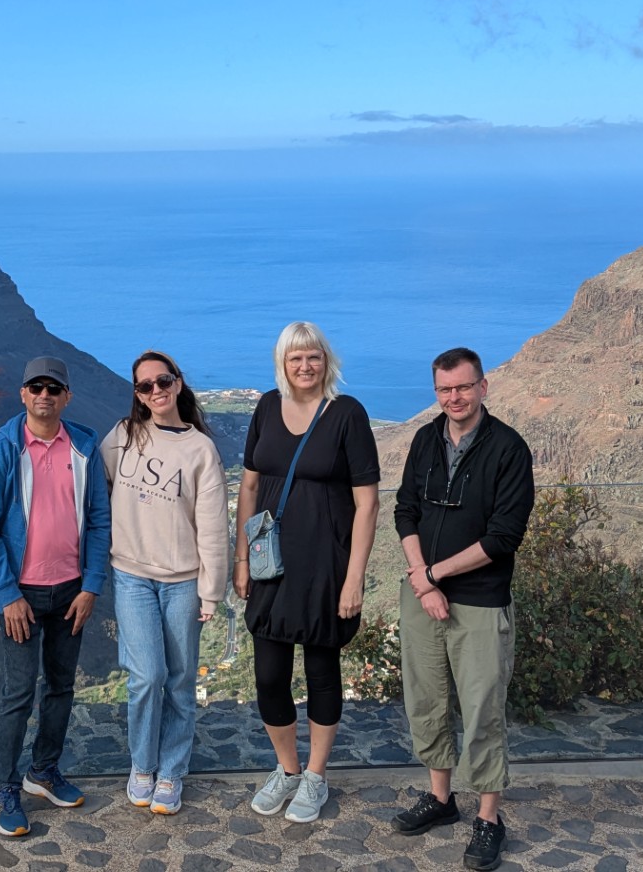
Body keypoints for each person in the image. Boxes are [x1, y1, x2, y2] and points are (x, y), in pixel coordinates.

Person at [393, 346, 534, 872]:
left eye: (463, 387)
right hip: (422, 596)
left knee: (481, 712)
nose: (454, 397)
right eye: (445, 389)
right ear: (437, 392)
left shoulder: (508, 449)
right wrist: (422, 579)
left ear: (483, 387)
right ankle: (441, 798)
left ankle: (489, 818)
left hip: (479, 602)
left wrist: (436, 575)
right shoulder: (425, 439)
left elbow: (503, 537)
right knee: (426, 701)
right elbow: (405, 510)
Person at [233, 321, 380, 824]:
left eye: (313, 356)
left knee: (322, 672)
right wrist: (241, 559)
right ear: (283, 362)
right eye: (295, 357)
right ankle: (288, 769)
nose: (305, 365)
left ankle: (316, 775)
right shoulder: (266, 408)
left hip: (326, 565)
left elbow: (367, 503)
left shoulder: (347, 414)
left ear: (326, 360)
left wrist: (354, 578)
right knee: (269, 677)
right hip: (270, 566)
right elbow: (249, 488)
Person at [0, 356, 114, 837]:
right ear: (23, 393)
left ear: (66, 396)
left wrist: (92, 584)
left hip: (71, 590)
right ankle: (5, 787)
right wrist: (6, 594)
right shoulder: (3, 450)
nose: (44, 395)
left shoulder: (84, 447)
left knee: (60, 686)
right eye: (36, 387)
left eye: (54, 388)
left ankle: (44, 771)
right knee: (18, 693)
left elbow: (99, 521)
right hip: (22, 595)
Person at [100, 351, 229, 816]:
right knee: (146, 676)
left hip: (182, 581)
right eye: (145, 386)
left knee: (179, 680)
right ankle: (142, 764)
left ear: (177, 383)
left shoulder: (200, 449)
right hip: (131, 574)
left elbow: (212, 527)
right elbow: (97, 487)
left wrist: (211, 591)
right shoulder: (123, 436)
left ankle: (171, 771)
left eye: (163, 381)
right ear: (137, 394)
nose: (156, 391)